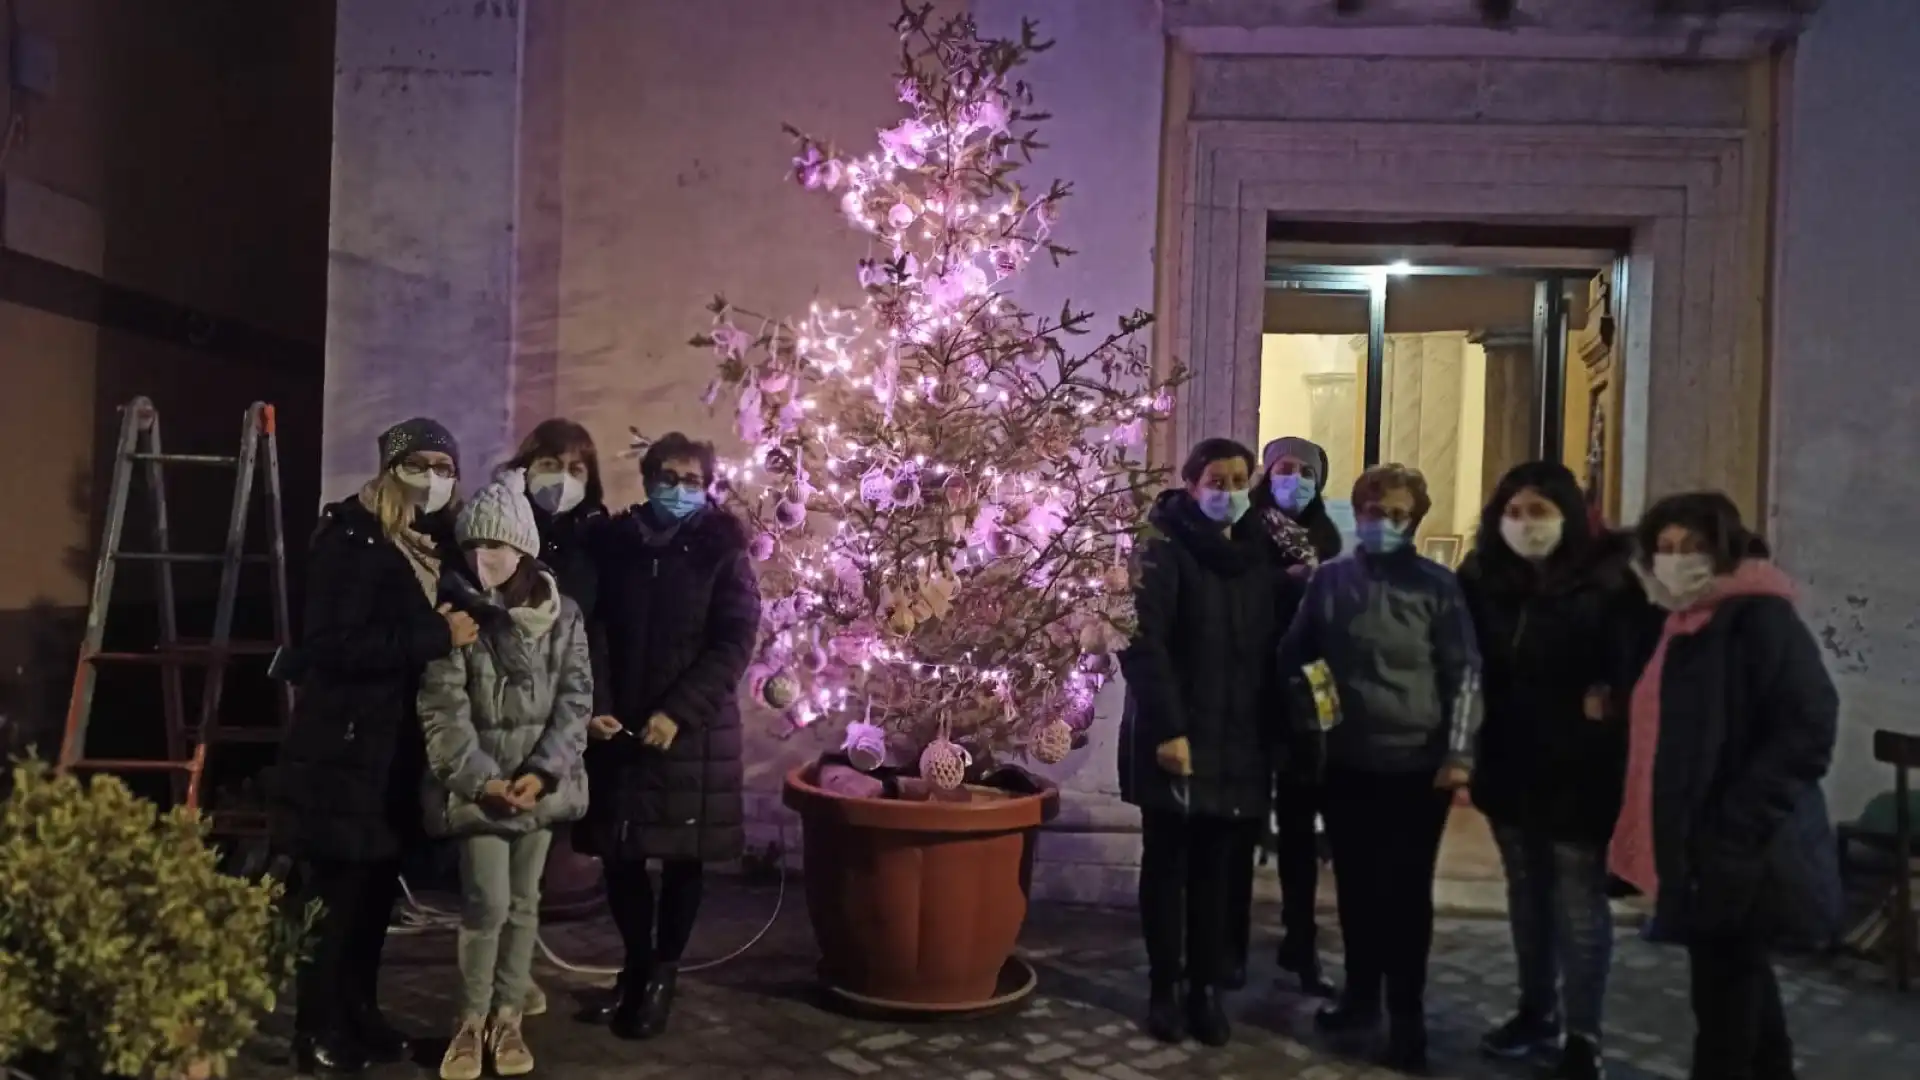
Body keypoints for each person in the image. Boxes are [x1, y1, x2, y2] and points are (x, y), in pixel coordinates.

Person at [1611, 493, 1840, 1080]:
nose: (1675, 560)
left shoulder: (1758, 617)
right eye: (1664, 548)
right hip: (1702, 842)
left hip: (1739, 845)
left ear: (1724, 549)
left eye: (1692, 547)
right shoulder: (1684, 621)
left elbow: (1807, 726)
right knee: (1737, 983)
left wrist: (1736, 823)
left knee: (1723, 1000)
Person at [274, 418, 479, 1075]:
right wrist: (434, 639)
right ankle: (316, 1029)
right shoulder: (352, 540)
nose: (433, 478)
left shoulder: (427, 544)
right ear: (391, 468)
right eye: (419, 464)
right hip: (346, 748)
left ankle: (360, 1014)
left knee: (371, 902)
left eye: (444, 466)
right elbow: (331, 648)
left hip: (393, 752)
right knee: (332, 902)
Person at [1275, 463, 1481, 1073]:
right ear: (1357, 512)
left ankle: (1407, 1015)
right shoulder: (1330, 581)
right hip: (1347, 761)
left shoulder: (1437, 588)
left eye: (1397, 514)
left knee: (1406, 892)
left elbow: (1464, 671)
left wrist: (1459, 752)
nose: (1383, 523)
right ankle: (1362, 996)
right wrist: (1319, 709)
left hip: (1418, 766)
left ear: (1414, 520)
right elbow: (1298, 652)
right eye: (1373, 511)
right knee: (1358, 887)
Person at [574, 432, 760, 1040]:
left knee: (682, 858)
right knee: (622, 853)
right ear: (648, 478)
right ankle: (635, 964)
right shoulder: (617, 546)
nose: (678, 489)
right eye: (668, 477)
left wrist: (678, 712)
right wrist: (597, 704)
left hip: (693, 734)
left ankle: (662, 976)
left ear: (707, 485)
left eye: (691, 479)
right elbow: (593, 630)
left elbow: (732, 642)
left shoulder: (723, 552)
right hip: (621, 726)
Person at [1456, 461, 1638, 1079]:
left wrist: (1609, 692)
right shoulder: (1482, 577)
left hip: (1582, 768)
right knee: (1527, 901)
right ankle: (1536, 1011)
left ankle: (1583, 1033)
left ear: (1569, 515)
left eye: (1539, 511)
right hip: (1509, 761)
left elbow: (1634, 666)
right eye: (1514, 512)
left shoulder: (1609, 582)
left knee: (1578, 905)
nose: (1525, 524)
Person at [417, 472, 593, 1080]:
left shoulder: (562, 616)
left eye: (496, 546)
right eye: (474, 547)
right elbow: (443, 709)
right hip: (482, 790)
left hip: (536, 788)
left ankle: (507, 1013)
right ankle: (469, 1020)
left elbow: (576, 700)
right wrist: (480, 779)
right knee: (485, 902)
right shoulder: (455, 619)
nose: (483, 558)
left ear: (523, 549)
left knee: (523, 904)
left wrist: (544, 773)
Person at [1117, 437, 1280, 1048]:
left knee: (1217, 870)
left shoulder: (1257, 551)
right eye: (1217, 480)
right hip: (1177, 733)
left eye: (1241, 479)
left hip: (1238, 737)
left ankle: (1205, 989)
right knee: (1168, 866)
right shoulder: (1161, 548)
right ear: (1191, 484)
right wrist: (1169, 728)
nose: (1230, 491)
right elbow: (1140, 640)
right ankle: (1164, 987)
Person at [500, 418, 611, 1016]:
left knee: (534, 853)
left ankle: (516, 972)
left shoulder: (592, 542)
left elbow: (593, 631)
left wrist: (590, 707)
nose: (563, 479)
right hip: (498, 708)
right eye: (552, 464)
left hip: (557, 712)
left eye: (576, 469)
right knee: (491, 857)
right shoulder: (502, 526)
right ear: (527, 463)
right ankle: (492, 984)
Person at [1227, 435, 1344, 996]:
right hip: (1252, 694)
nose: (1293, 479)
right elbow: (1237, 594)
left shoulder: (1328, 537)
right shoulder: (1246, 529)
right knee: (1241, 824)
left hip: (1304, 700)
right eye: (1284, 468)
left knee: (1300, 830)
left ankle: (1301, 941)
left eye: (1305, 471)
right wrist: (1283, 582)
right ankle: (1229, 945)